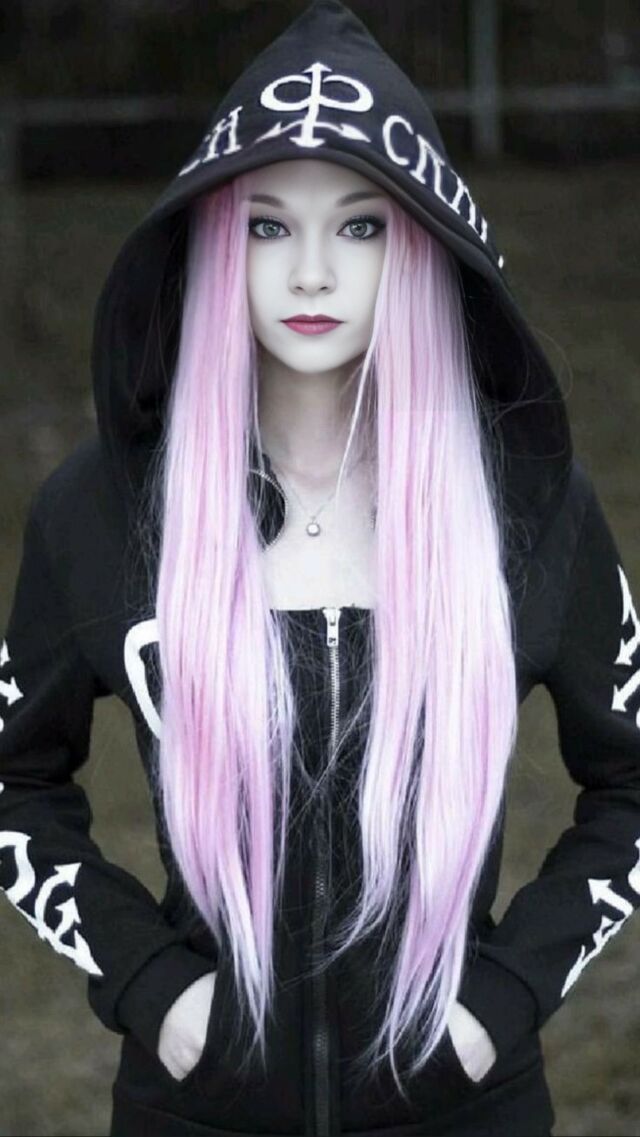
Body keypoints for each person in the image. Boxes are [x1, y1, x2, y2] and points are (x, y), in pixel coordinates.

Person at [0, 3, 639, 1135]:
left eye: (358, 226)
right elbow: (16, 781)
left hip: (465, 1110)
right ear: (215, 242)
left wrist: (500, 998)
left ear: (419, 242)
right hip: (196, 1111)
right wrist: (152, 986)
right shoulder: (102, 509)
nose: (309, 272)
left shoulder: (528, 507)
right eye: (266, 225)